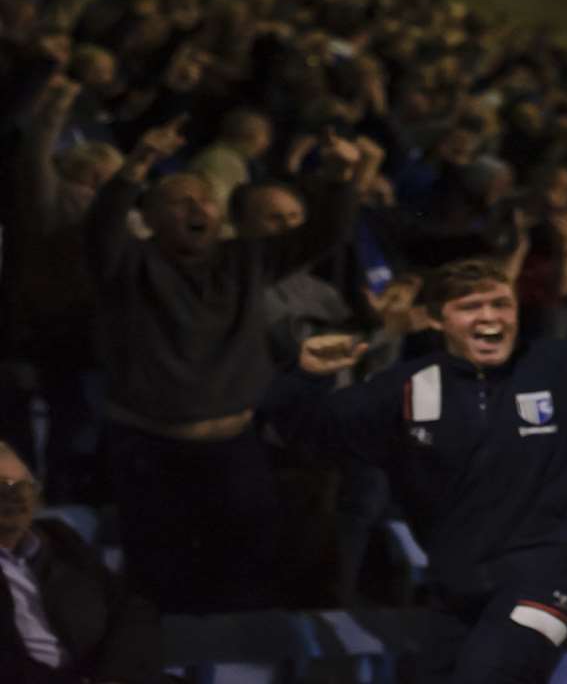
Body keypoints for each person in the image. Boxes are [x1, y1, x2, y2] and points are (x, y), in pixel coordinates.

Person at [259, 234, 567, 684]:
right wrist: (304, 378)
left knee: (491, 668)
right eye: (470, 307)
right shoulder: (405, 390)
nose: (490, 317)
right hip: (465, 585)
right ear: (436, 319)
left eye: (501, 304)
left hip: (565, 573)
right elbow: (309, 434)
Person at [85, 119, 374, 611]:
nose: (199, 208)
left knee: (244, 577)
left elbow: (324, 232)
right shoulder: (128, 265)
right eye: (181, 201)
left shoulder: (246, 260)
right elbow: (102, 227)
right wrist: (135, 167)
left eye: (207, 200)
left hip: (234, 450)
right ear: (150, 217)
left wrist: (342, 177)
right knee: (159, 586)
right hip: (151, 454)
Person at [0, 440, 165, 684]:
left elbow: (130, 609)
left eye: (25, 486)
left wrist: (115, 675)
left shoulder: (59, 538)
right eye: (4, 489)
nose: (19, 499)